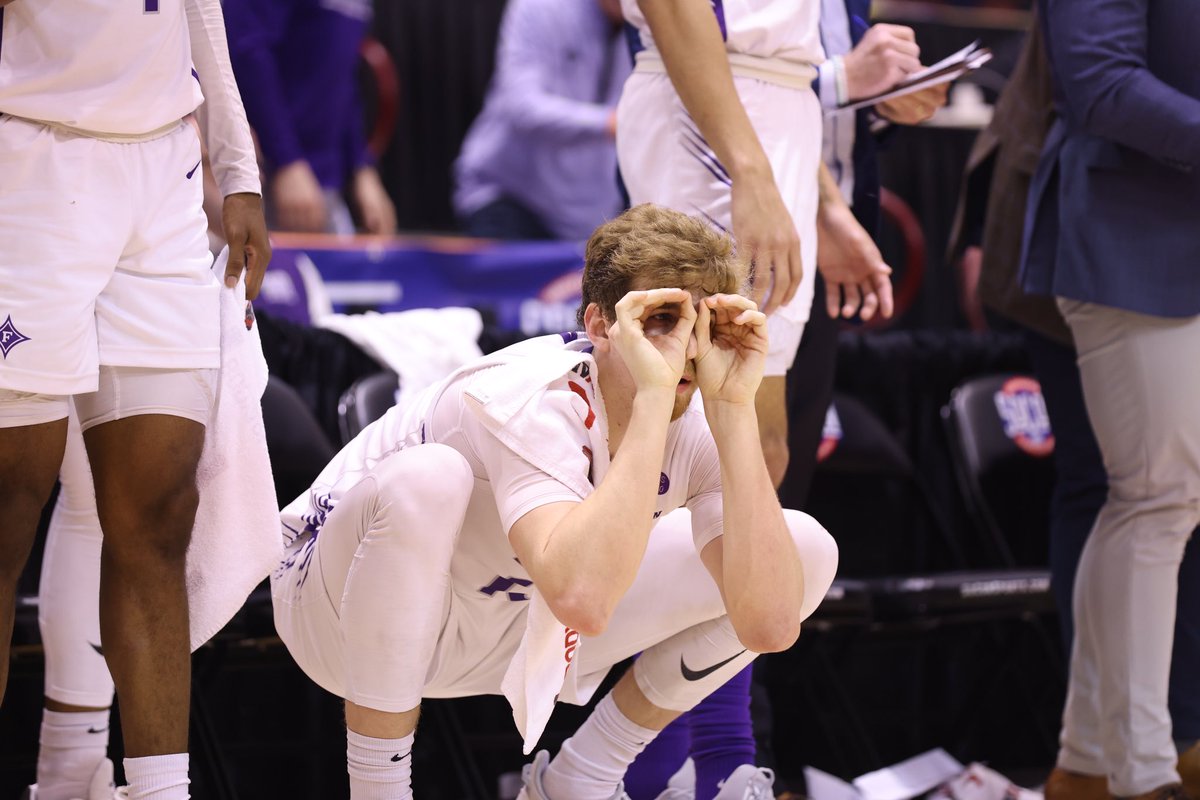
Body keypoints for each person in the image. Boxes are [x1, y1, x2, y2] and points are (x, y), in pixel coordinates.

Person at [270, 203, 840, 800]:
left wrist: (734, 409)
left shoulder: (698, 414)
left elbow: (770, 621)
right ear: (599, 324)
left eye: (701, 324)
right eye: (660, 318)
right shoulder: (532, 396)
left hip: (506, 616)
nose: (682, 348)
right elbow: (583, 601)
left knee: (805, 549)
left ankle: (579, 780)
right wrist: (651, 397)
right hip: (337, 610)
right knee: (429, 479)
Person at [0, 0, 270, 797]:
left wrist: (239, 169)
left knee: (156, 514)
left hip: (162, 181)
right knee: (9, 506)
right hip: (30, 167)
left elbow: (201, 11)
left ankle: (157, 790)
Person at [1019, 0, 1200, 798]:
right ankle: (1145, 772)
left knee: (1156, 502)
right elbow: (1100, 81)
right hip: (1131, 229)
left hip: (1165, 231)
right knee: (1157, 500)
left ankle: (1088, 762)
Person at [453, 0, 631, 241]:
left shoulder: (653, 25)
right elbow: (521, 106)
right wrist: (610, 123)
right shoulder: (539, 7)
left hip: (591, 219)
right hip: (512, 198)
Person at [223, 0, 397, 236]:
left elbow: (341, 76)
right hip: (263, 178)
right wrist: (286, 160)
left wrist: (362, 168)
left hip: (322, 183)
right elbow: (245, 49)